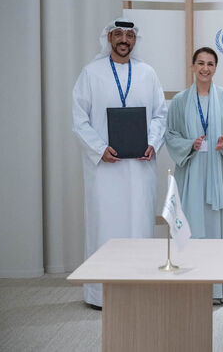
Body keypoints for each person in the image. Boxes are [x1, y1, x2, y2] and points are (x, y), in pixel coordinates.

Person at [72, 18, 167, 309]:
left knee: (139, 225)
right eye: (118, 34)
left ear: (135, 40)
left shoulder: (148, 73)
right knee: (105, 225)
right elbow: (79, 119)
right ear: (109, 38)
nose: (124, 39)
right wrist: (100, 149)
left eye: (129, 35)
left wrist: (152, 142)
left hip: (139, 168)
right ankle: (101, 295)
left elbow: (160, 115)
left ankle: (141, 290)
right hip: (105, 170)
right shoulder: (91, 73)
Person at [165, 47, 223, 303]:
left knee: (215, 227)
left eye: (210, 64)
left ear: (216, 68)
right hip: (190, 173)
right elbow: (171, 135)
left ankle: (219, 289)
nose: (205, 68)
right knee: (189, 224)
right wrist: (190, 144)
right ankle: (190, 288)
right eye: (200, 63)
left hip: (217, 171)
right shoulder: (178, 101)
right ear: (192, 66)